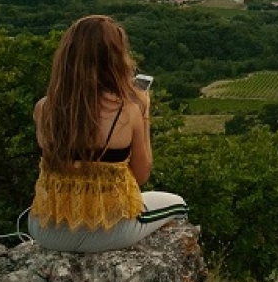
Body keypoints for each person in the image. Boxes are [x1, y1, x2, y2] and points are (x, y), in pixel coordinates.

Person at [28, 15, 187, 252]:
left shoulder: (44, 108)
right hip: (110, 230)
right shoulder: (128, 111)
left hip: (47, 230)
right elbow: (141, 175)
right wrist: (144, 111)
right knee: (179, 205)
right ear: (115, 60)